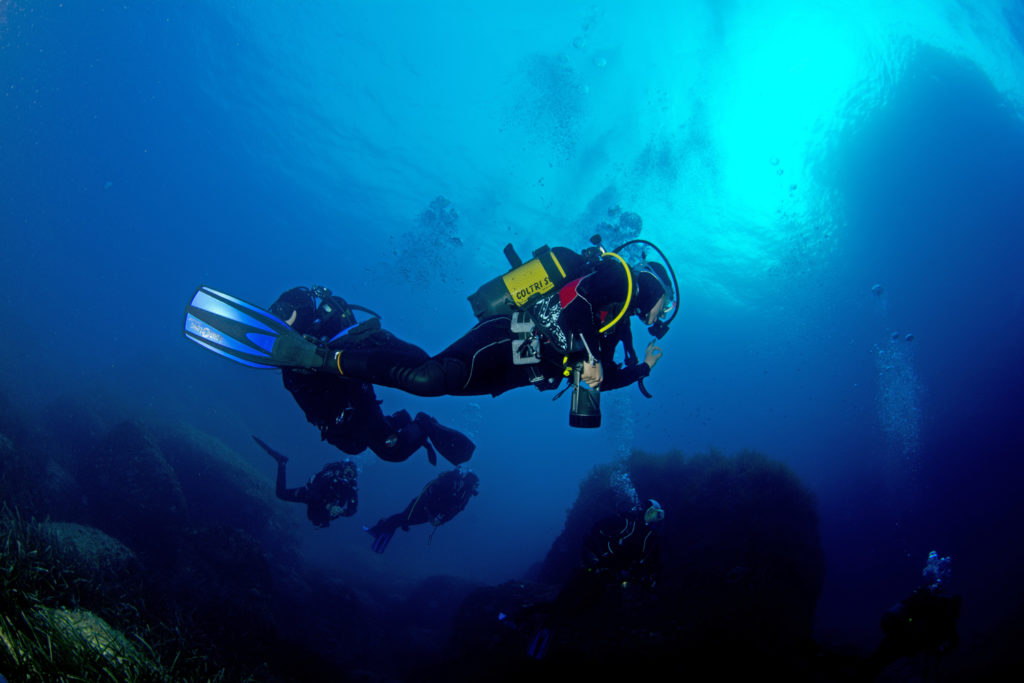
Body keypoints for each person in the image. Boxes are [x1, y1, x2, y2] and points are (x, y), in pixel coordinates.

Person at [321, 257, 671, 399]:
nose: (663, 314)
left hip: (524, 369)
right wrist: (590, 357)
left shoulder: (617, 325)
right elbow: (577, 299)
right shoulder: (618, 277)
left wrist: (643, 368)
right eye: (665, 304)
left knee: (434, 375)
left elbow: (601, 380)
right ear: (654, 289)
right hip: (515, 333)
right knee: (431, 379)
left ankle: (377, 339)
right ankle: (319, 358)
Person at [268, 286, 475, 466]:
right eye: (274, 313)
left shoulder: (334, 336)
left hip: (358, 409)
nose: (278, 320)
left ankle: (423, 424)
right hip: (333, 423)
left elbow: (417, 360)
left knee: (393, 451)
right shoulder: (286, 351)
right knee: (353, 447)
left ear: (302, 311)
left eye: (284, 312)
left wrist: (377, 341)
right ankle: (399, 419)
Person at [517, 498, 665, 659]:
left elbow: (652, 564)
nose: (654, 517)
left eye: (658, 515)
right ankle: (528, 616)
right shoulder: (624, 521)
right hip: (590, 570)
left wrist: (648, 578)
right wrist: (596, 560)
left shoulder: (650, 538)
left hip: (606, 578)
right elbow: (594, 532)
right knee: (564, 602)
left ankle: (542, 623)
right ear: (644, 510)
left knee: (583, 607)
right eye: (652, 512)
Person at [866, 551, 962, 678]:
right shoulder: (944, 609)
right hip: (912, 640)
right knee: (884, 663)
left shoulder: (926, 598)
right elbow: (951, 640)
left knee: (877, 662)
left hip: (903, 634)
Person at [364, 468, 480, 553]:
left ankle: (379, 532)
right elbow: (432, 492)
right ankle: (378, 532)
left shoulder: (464, 494)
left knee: (403, 520)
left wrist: (440, 521)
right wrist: (428, 510)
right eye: (473, 485)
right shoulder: (452, 483)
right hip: (422, 504)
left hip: (430, 513)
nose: (473, 489)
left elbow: (455, 510)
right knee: (403, 518)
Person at [253, 436, 358, 528]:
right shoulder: (331, 475)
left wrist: (342, 512)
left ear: (354, 477)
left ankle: (319, 520)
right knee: (281, 494)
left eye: (351, 474)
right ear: (343, 469)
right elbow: (313, 490)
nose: (348, 476)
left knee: (318, 520)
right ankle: (282, 462)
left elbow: (352, 509)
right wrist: (328, 506)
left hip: (321, 509)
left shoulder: (351, 488)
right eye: (347, 472)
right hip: (310, 496)